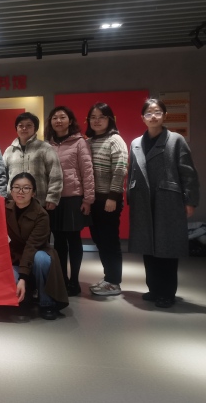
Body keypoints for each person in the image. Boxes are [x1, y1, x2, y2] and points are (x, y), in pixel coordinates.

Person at [128, 99, 200, 308]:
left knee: (167, 247)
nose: (153, 116)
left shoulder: (176, 140)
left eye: (157, 112)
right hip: (143, 200)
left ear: (165, 115)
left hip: (168, 200)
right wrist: (130, 195)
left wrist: (190, 200)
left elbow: (188, 173)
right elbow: (132, 171)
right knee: (148, 246)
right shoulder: (136, 142)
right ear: (142, 118)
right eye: (148, 113)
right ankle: (154, 289)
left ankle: (167, 292)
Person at [45, 106, 95, 296]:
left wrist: (88, 199)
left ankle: (74, 281)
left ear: (70, 120)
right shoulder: (47, 144)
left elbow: (87, 172)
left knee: (74, 240)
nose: (58, 121)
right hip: (53, 199)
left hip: (73, 198)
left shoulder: (79, 142)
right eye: (55, 118)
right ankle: (62, 280)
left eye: (62, 117)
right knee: (58, 242)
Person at [6, 172, 69, 320]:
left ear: (34, 192)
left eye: (26, 188)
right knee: (9, 279)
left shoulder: (42, 215)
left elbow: (32, 247)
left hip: (37, 254)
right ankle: (27, 295)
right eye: (16, 187)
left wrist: (22, 277)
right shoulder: (5, 209)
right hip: (15, 256)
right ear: (11, 191)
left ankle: (47, 302)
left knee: (41, 259)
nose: (21, 191)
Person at [85, 102, 128, 296]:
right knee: (100, 240)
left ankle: (114, 282)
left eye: (101, 117)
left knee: (110, 241)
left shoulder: (115, 140)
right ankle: (108, 277)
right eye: (93, 117)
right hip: (93, 200)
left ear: (110, 119)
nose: (97, 121)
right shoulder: (89, 142)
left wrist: (113, 197)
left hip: (108, 200)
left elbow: (120, 170)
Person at [3, 112, 63, 208]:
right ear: (16, 128)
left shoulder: (45, 148)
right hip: (13, 203)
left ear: (35, 128)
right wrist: (4, 197)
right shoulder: (9, 151)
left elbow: (55, 174)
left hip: (40, 202)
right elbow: (3, 176)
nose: (24, 128)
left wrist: (53, 197)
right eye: (21, 126)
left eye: (29, 125)